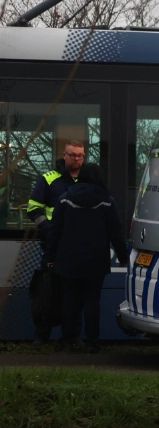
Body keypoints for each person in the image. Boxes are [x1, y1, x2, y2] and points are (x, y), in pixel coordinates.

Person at [44, 163, 128, 353]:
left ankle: (68, 339)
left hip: (67, 259)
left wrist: (50, 255)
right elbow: (116, 232)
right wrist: (123, 256)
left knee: (69, 301)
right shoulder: (107, 200)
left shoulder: (65, 198)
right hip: (95, 260)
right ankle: (92, 341)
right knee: (92, 301)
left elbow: (55, 230)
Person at [25, 141, 86, 344]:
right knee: (48, 291)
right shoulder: (49, 179)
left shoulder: (89, 180)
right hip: (53, 247)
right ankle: (41, 336)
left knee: (75, 295)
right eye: (73, 155)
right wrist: (49, 230)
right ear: (64, 155)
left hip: (78, 248)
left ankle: (71, 337)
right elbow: (33, 207)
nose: (77, 159)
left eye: (80, 155)